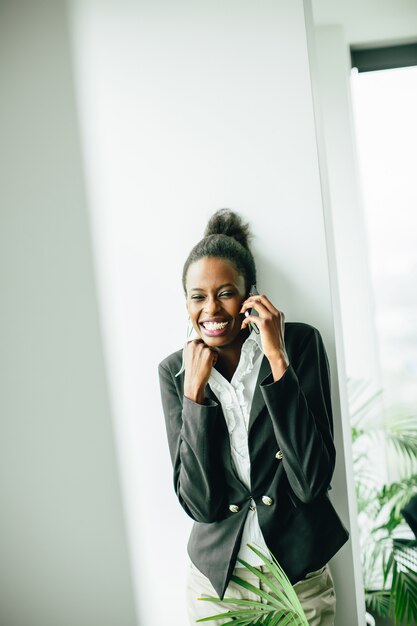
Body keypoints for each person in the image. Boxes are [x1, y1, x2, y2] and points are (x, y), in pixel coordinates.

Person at [158, 209, 349, 625]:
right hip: (217, 587)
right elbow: (199, 503)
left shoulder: (299, 344)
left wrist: (278, 359)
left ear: (250, 293)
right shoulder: (174, 372)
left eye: (225, 292)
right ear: (186, 302)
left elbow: (312, 479)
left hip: (298, 578)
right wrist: (194, 394)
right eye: (197, 296)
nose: (211, 308)